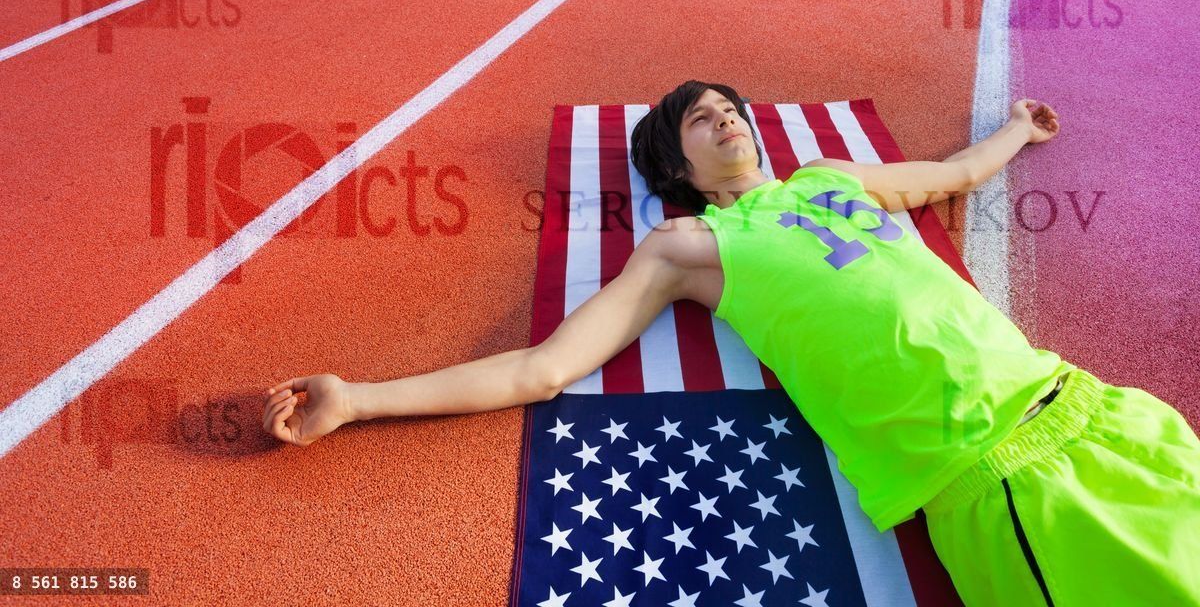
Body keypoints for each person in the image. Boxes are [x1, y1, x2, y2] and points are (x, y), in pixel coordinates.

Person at [262, 80, 1200, 606]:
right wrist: (361, 398)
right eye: (701, 118)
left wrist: (1016, 131)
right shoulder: (691, 247)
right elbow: (543, 369)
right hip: (998, 479)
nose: (727, 119)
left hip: (1105, 413)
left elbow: (949, 177)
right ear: (679, 165)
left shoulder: (833, 178)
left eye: (729, 107)